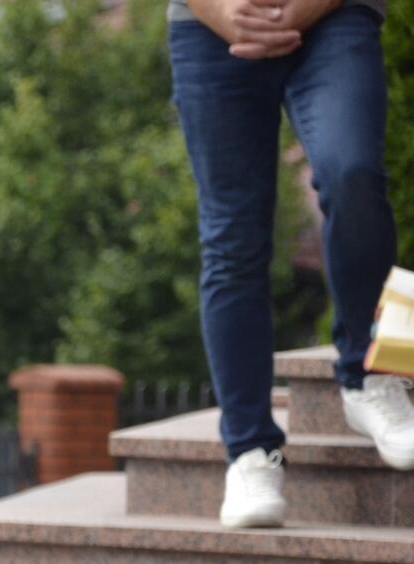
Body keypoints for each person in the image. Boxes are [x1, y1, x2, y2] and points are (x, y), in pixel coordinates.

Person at [169, 0, 402, 528]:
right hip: (208, 25)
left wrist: (299, 9)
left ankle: (372, 375)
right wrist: (221, 12)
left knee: (355, 175)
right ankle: (250, 452)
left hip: (335, 14)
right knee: (232, 239)